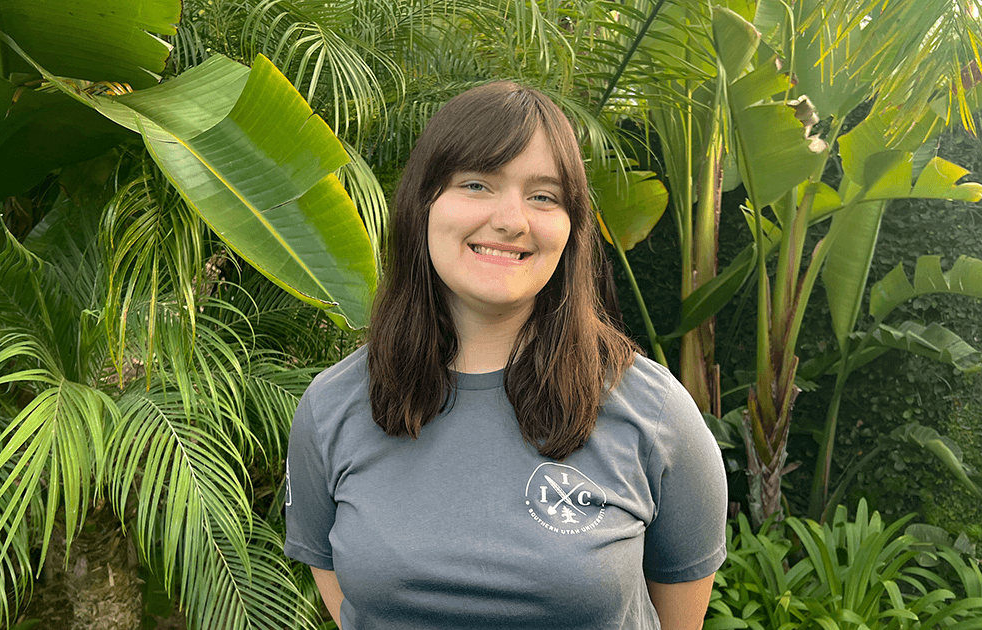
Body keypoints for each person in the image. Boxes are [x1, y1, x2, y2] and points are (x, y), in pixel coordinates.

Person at [283, 81, 727, 629]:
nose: (511, 219)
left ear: (572, 227)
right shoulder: (333, 408)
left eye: (544, 196)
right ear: (423, 204)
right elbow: (351, 604)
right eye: (476, 184)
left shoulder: (655, 414)